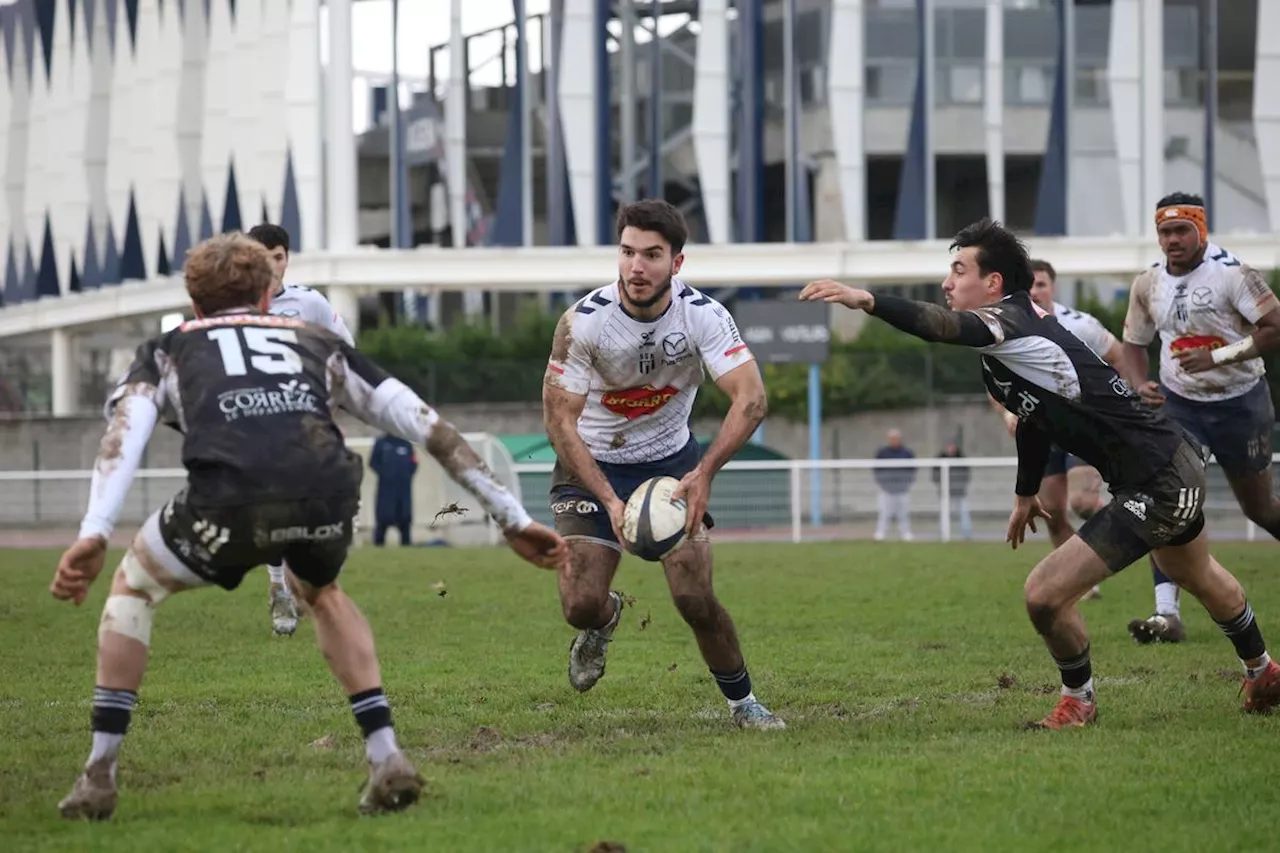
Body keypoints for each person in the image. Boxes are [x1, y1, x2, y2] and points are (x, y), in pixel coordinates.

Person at [50, 233, 569, 820]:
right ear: (269, 294)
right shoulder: (317, 341)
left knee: (133, 589)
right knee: (321, 591)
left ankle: (98, 774)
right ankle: (386, 755)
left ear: (194, 303)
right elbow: (424, 422)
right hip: (325, 493)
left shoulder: (168, 349)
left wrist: (94, 531)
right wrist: (513, 517)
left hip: (227, 499)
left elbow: (123, 436)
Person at [800, 217, 1280, 729]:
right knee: (1195, 573)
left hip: (1160, 477)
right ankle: (1263, 671)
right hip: (1165, 465)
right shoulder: (1009, 337)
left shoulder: (1007, 320)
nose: (946, 283)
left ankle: (1080, 702)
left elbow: (940, 327)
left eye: (958, 270)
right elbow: (1034, 415)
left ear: (994, 283)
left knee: (1044, 594)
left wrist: (867, 300)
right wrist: (1026, 492)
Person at [541, 199, 784, 730]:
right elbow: (559, 422)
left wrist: (705, 472)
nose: (637, 267)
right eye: (628, 252)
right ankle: (604, 622)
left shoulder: (704, 316)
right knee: (579, 603)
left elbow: (751, 399)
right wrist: (609, 500)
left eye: (652, 255)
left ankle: (744, 704)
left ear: (676, 262)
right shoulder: (583, 324)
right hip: (591, 464)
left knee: (695, 598)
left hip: (671, 467)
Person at [1120, 192, 1280, 644]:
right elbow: (1134, 342)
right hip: (1181, 404)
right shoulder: (1147, 283)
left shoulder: (1234, 275)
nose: (1172, 240)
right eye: (1164, 232)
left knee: (1260, 508)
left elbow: (1275, 328)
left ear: (1200, 230)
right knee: (1166, 499)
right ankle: (1166, 615)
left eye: (1180, 230)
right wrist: (1138, 382)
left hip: (1241, 402)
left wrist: (1220, 357)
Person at [986, 259, 1123, 598]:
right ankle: (1083, 581)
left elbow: (1119, 355)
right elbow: (994, 384)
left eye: (1042, 284)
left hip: (1080, 426)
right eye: (1029, 286)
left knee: (1083, 501)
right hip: (1041, 430)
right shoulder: (1007, 327)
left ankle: (1140, 526)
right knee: (1050, 511)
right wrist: (1007, 415)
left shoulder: (1080, 324)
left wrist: (1111, 399)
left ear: (1053, 287)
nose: (1035, 291)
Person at [247, 223, 355, 636]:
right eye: (264, 256)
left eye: (279, 256)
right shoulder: (233, 307)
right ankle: (279, 589)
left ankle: (300, 578)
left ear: (287, 258)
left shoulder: (307, 303)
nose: (273, 265)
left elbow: (346, 351)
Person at [370, 433, 418, 546]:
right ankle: (378, 545)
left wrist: (406, 476)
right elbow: (373, 463)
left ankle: (406, 546)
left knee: (405, 518)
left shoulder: (406, 444)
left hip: (403, 490)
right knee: (383, 517)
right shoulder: (381, 443)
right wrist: (385, 475)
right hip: (386, 489)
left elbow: (414, 463)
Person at [873, 429, 916, 541]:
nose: (893, 440)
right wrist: (883, 484)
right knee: (884, 513)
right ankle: (881, 533)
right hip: (887, 489)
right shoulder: (882, 453)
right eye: (891, 438)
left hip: (902, 488)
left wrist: (906, 484)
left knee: (904, 513)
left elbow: (912, 470)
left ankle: (905, 533)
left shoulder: (907, 453)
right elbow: (877, 469)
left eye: (895, 438)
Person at [932, 439, 973, 540]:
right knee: (944, 514)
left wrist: (960, 485)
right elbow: (935, 475)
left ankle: (967, 534)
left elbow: (967, 475)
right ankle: (943, 534)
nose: (951, 448)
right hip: (945, 493)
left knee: (963, 513)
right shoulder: (940, 459)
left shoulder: (961, 458)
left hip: (959, 492)